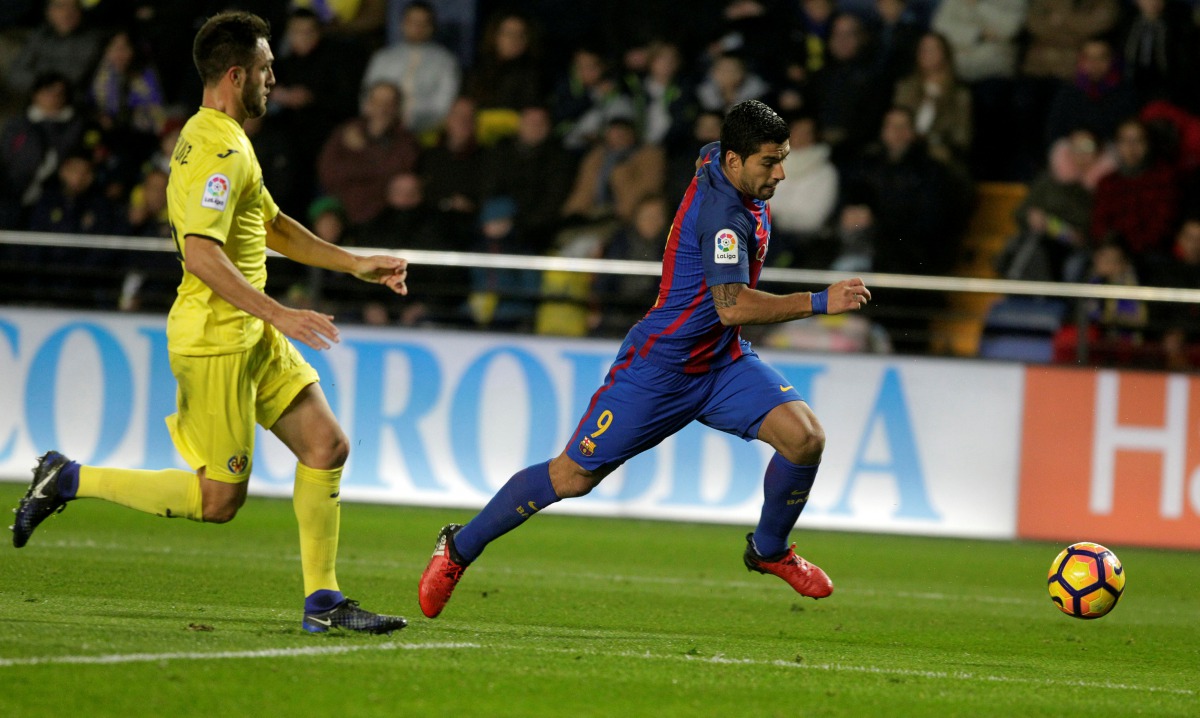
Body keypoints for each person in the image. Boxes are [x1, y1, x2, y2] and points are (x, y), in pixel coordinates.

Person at [10, 11, 410, 635]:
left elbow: (271, 225)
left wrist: (354, 263)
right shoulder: (219, 150)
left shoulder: (225, 139)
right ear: (235, 75)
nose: (274, 77)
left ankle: (324, 604)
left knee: (326, 446)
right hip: (217, 340)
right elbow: (201, 253)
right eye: (265, 68)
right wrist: (281, 312)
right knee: (219, 501)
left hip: (250, 331)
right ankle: (67, 479)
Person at [418, 99, 872, 619]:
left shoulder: (719, 162)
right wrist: (820, 301)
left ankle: (769, 551)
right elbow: (732, 306)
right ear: (734, 161)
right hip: (661, 368)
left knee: (805, 437)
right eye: (770, 162)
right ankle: (458, 548)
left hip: (721, 362)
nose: (780, 173)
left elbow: (706, 151)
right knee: (572, 477)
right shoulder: (724, 219)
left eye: (783, 159)